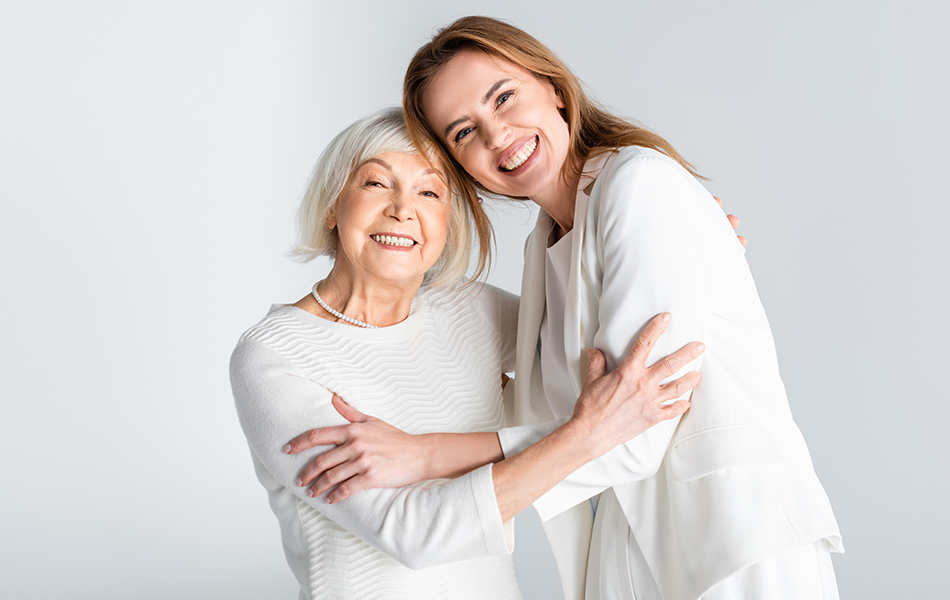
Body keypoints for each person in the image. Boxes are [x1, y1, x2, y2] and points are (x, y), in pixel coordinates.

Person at [298, 16, 842, 600]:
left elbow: (630, 431)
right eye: (463, 132)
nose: (496, 135)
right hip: (624, 551)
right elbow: (528, 399)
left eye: (503, 97)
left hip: (731, 538)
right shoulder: (547, 242)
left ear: (553, 86)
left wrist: (425, 454)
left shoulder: (640, 186)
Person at [229, 107, 706, 600]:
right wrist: (585, 436)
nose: (402, 209)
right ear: (331, 207)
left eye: (429, 192)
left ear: (448, 221)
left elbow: (595, 338)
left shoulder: (468, 309)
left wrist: (673, 245)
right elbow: (412, 533)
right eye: (376, 184)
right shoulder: (275, 355)